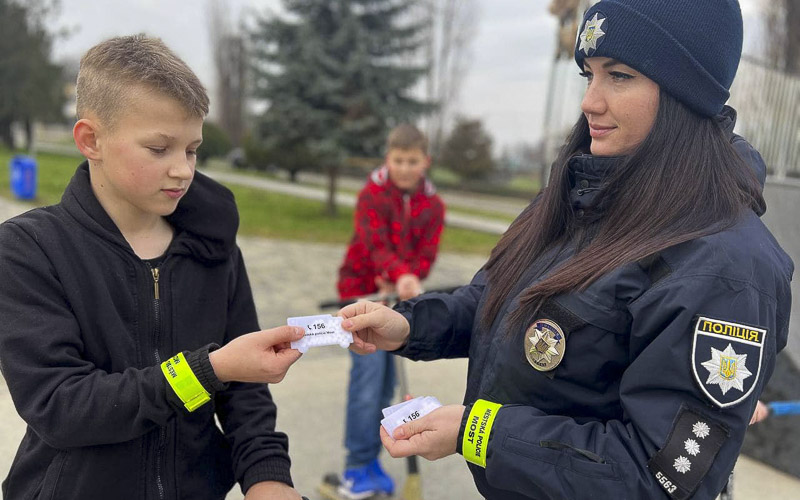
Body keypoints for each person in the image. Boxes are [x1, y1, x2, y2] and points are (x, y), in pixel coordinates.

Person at [338, 1, 794, 499]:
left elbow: (661, 478)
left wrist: (480, 433)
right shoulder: (582, 191)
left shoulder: (725, 268)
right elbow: (501, 298)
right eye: (589, 74)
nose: (590, 102)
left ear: (687, 93)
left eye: (618, 76)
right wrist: (410, 324)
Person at [0, 35, 306, 500]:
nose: (183, 169)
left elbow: (245, 391)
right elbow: (62, 407)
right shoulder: (29, 250)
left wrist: (268, 478)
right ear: (91, 140)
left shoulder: (213, 250)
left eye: (192, 149)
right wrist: (209, 369)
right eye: (159, 149)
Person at [336, 124, 445, 498]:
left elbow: (426, 254)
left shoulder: (434, 205)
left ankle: (370, 459)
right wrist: (395, 274)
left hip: (397, 302)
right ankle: (355, 469)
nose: (404, 167)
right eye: (398, 160)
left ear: (424, 162)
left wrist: (409, 279)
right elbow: (372, 243)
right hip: (361, 296)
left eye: (412, 161)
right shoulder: (371, 195)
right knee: (367, 384)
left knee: (385, 386)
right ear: (388, 159)